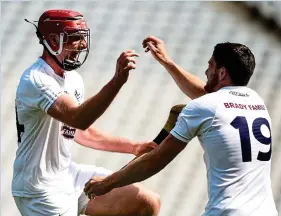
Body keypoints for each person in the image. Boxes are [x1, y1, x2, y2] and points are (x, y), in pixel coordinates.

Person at [84, 36, 278, 216]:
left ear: (222, 72)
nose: (205, 72)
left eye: (210, 65)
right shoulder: (256, 103)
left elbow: (156, 160)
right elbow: (208, 97)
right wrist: (166, 62)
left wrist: (108, 183)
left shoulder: (204, 107)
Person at [12, 10, 161, 216]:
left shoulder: (73, 79)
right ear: (53, 40)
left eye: (83, 38)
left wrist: (133, 147)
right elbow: (79, 118)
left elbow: (83, 132)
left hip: (68, 175)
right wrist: (117, 81)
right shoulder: (36, 80)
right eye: (74, 38)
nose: (82, 44)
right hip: (39, 190)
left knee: (146, 202)